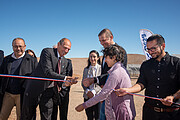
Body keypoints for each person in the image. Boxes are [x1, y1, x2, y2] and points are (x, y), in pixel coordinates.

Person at [116, 34, 180, 120]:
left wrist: (173, 97)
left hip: (172, 114)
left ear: (163, 46)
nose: (150, 52)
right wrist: (128, 90)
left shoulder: (177, 63)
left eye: (153, 48)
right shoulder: (146, 65)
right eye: (148, 49)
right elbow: (141, 83)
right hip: (149, 113)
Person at [21, 38, 78, 120]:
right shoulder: (47, 52)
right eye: (65, 48)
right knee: (28, 116)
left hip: (49, 92)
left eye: (68, 49)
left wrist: (65, 83)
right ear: (58, 44)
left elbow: (59, 80)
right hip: (35, 89)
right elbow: (47, 72)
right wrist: (65, 78)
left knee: (47, 117)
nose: (66, 51)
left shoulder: (65, 61)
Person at [76, 45, 136, 120]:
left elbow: (103, 94)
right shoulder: (118, 69)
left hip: (120, 112)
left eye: (106, 58)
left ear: (113, 57)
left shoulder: (116, 73)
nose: (105, 61)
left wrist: (84, 105)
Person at [83, 28, 127, 120]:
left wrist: (95, 79)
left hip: (115, 96)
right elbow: (104, 73)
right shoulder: (106, 52)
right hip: (105, 95)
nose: (101, 43)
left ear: (111, 37)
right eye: (100, 41)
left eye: (103, 40)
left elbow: (115, 74)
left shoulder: (120, 52)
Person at [0, 38, 38, 120]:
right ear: (12, 47)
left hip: (22, 95)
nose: (18, 49)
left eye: (20, 46)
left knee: (21, 117)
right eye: (15, 46)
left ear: (24, 47)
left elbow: (36, 79)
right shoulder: (6, 60)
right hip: (8, 94)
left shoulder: (32, 61)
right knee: (2, 116)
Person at [82, 50, 102, 120]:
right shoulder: (86, 69)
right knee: (89, 117)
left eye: (94, 57)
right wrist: (87, 91)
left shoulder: (101, 69)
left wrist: (93, 92)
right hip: (87, 97)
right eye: (90, 57)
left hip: (98, 96)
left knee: (98, 117)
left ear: (98, 58)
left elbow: (102, 82)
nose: (92, 58)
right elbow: (83, 83)